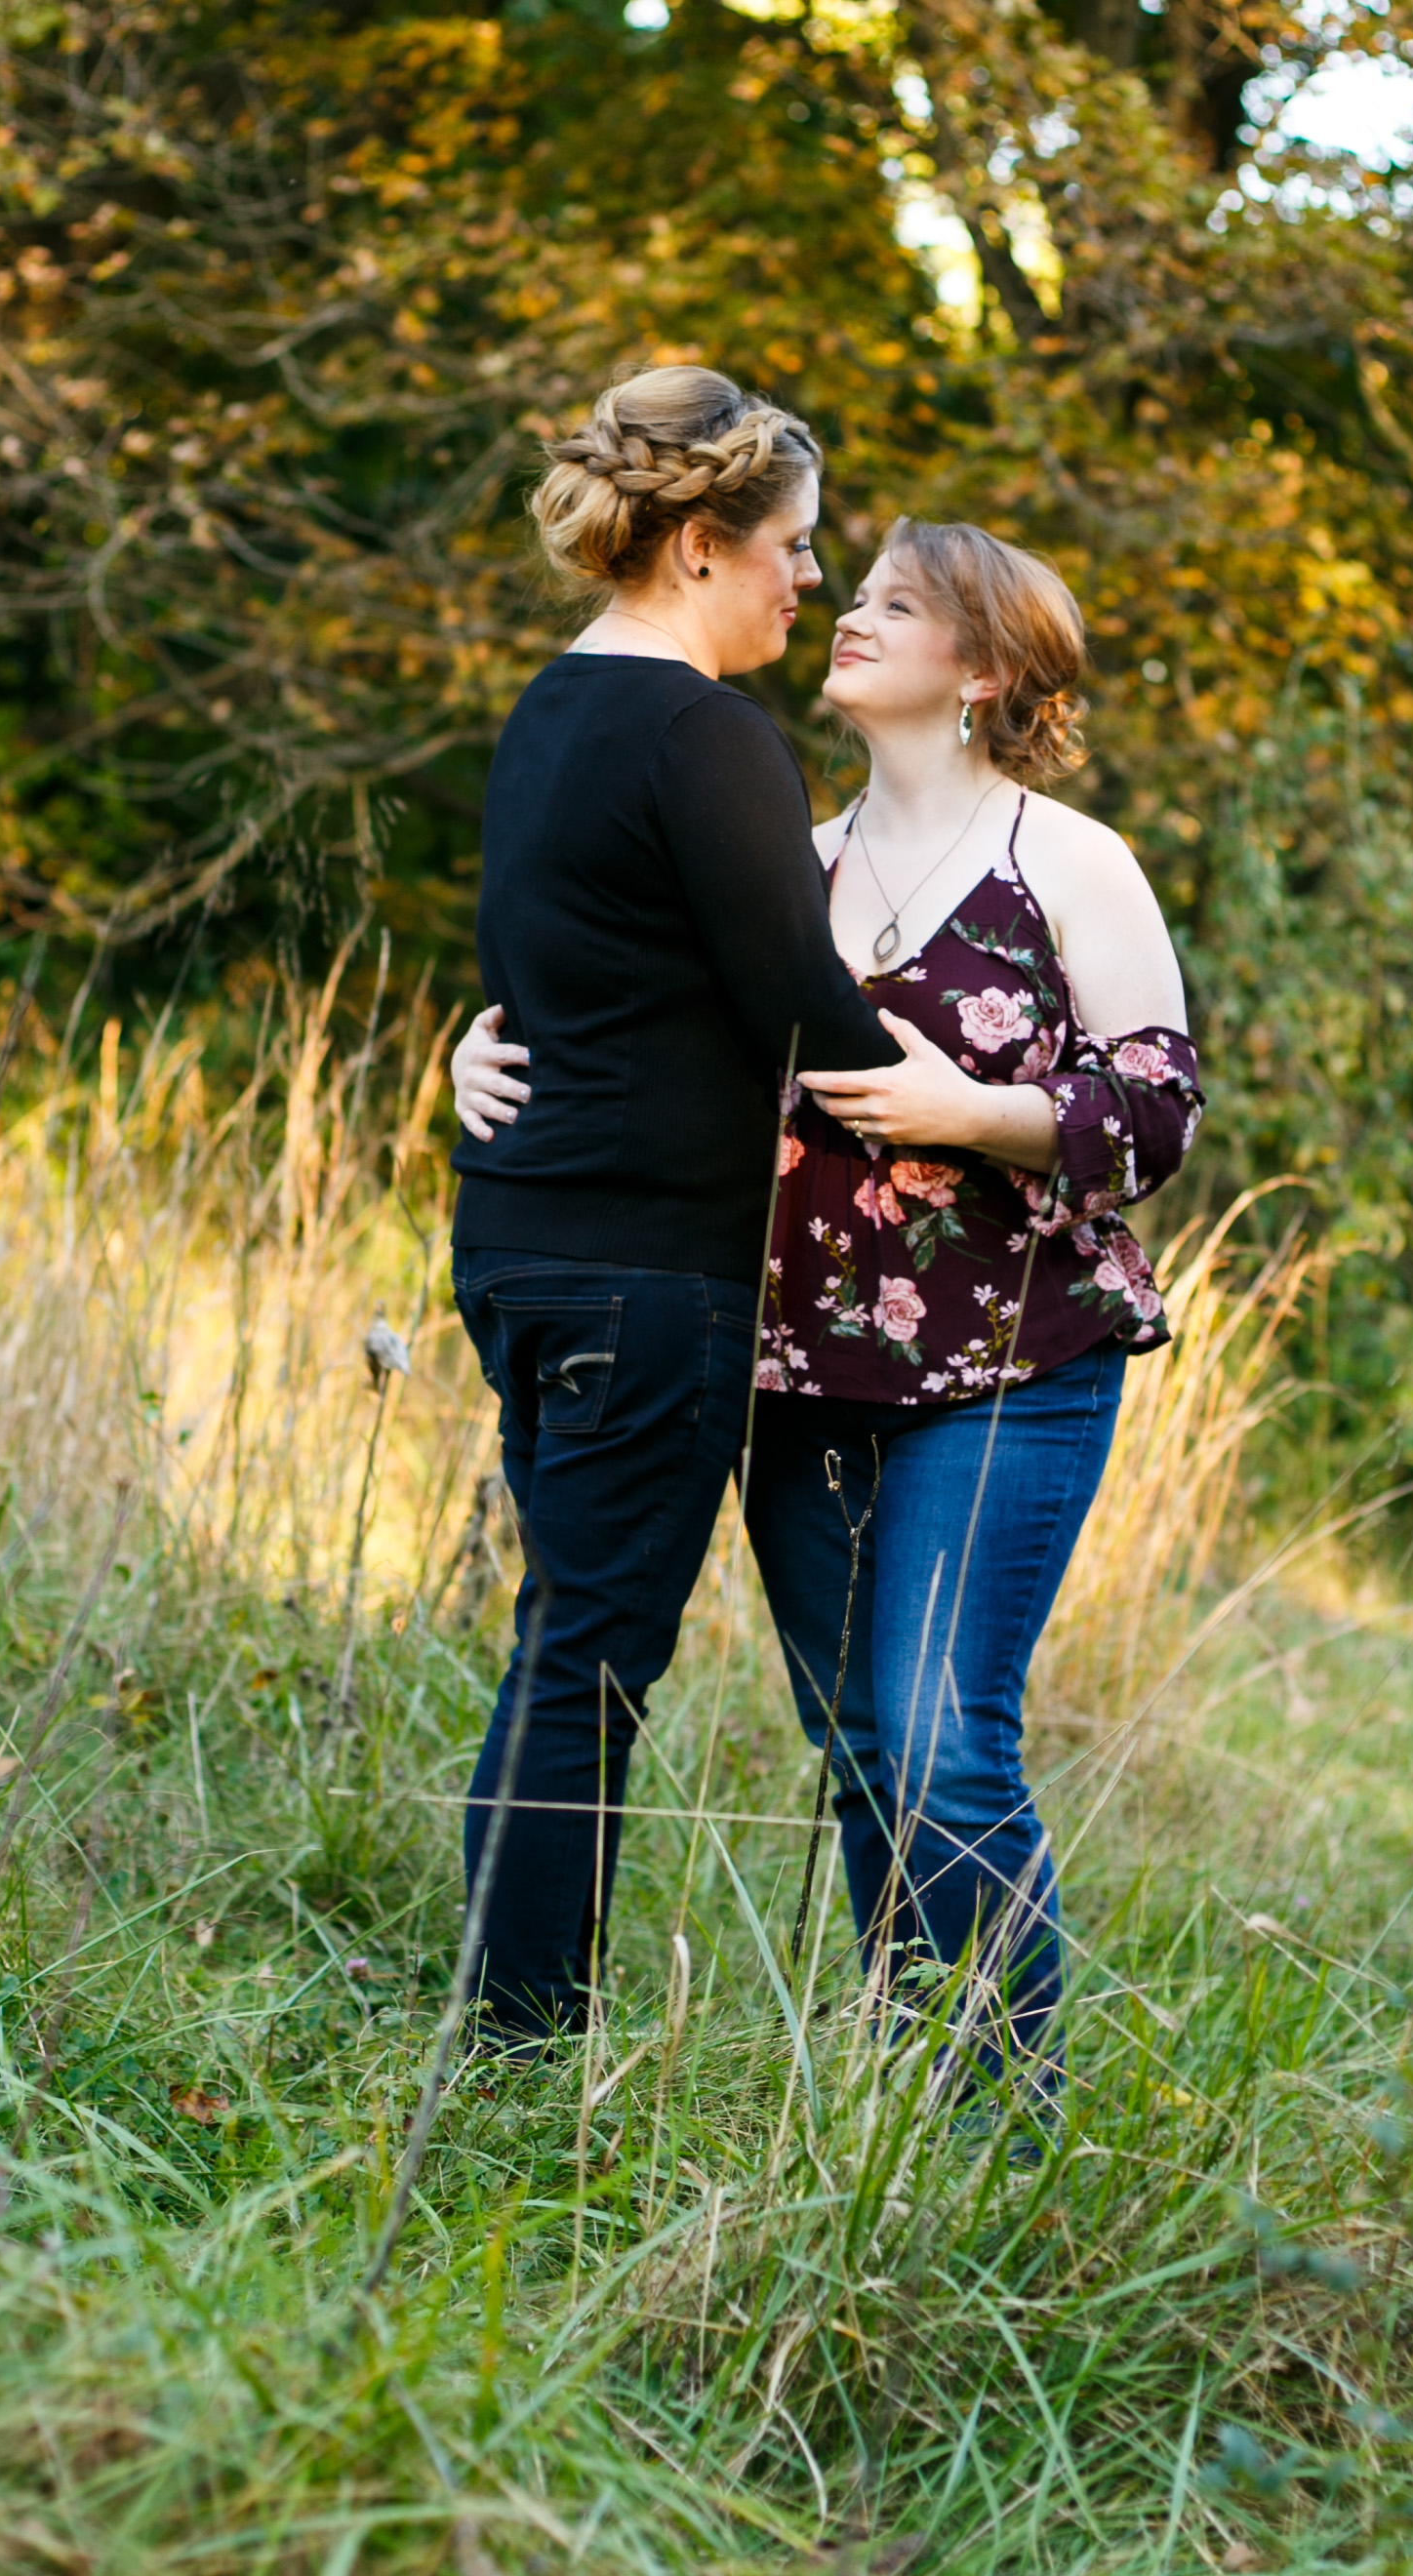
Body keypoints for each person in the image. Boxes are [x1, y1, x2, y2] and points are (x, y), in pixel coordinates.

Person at [457, 516, 1202, 2084]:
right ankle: (913, 2100)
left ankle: (1001, 2116)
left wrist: (977, 1115)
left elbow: (1154, 1109)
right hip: (798, 1371)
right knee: (862, 1756)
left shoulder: (1065, 860)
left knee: (940, 1740)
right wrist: (472, 1056)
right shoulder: (789, 862)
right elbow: (631, 1030)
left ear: (984, 668)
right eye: (848, 590)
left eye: (897, 605)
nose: (845, 616)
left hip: (1009, 1359)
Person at [445, 363, 906, 2048]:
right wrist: (997, 1107)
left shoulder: (549, 709)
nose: (809, 582)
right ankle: (514, 2046)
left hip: (521, 1239)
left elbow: (559, 977)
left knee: (561, 1642)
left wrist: (466, 1052)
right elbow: (798, 1000)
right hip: (644, 1268)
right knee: (586, 1666)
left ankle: (507, 2024)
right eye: (790, 548)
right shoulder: (708, 732)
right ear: (700, 545)